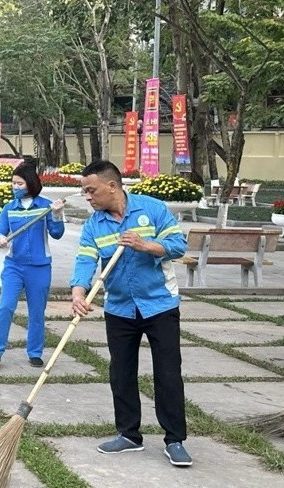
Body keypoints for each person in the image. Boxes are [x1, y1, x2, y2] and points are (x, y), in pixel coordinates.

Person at [69, 160, 192, 467]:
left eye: (91, 190)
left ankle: (174, 439)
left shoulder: (152, 209)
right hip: (120, 307)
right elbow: (85, 259)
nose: (87, 197)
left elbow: (178, 244)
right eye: (84, 191)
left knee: (167, 373)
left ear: (113, 186)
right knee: (121, 372)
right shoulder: (94, 225)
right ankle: (128, 435)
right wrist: (78, 291)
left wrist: (146, 245)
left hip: (159, 304)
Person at [0, 164, 65, 369]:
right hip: (14, 266)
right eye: (13, 183)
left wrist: (57, 214)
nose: (15, 186)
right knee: (5, 307)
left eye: (19, 183)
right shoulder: (9, 208)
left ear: (30, 184)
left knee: (37, 311)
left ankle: (35, 352)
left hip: (39, 267)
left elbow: (57, 233)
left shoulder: (45, 206)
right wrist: (0, 238)